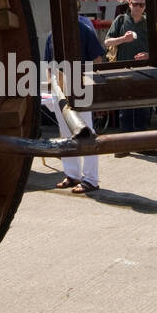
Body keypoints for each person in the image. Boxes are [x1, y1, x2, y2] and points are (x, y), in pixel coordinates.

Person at [45, 14, 106, 192]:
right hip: (60, 88)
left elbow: (97, 59)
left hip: (80, 88)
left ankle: (91, 179)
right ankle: (72, 175)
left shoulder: (84, 30)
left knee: (86, 131)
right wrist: (52, 87)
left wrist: (84, 81)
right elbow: (49, 64)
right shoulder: (52, 35)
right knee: (65, 133)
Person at [104, 0, 157, 155]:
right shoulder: (120, 20)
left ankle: (142, 144)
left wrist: (149, 55)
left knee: (143, 107)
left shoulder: (149, 23)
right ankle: (124, 145)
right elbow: (107, 42)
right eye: (135, 4)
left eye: (141, 5)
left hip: (144, 70)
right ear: (129, 4)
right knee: (125, 108)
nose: (138, 7)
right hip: (123, 69)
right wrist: (122, 39)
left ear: (145, 7)